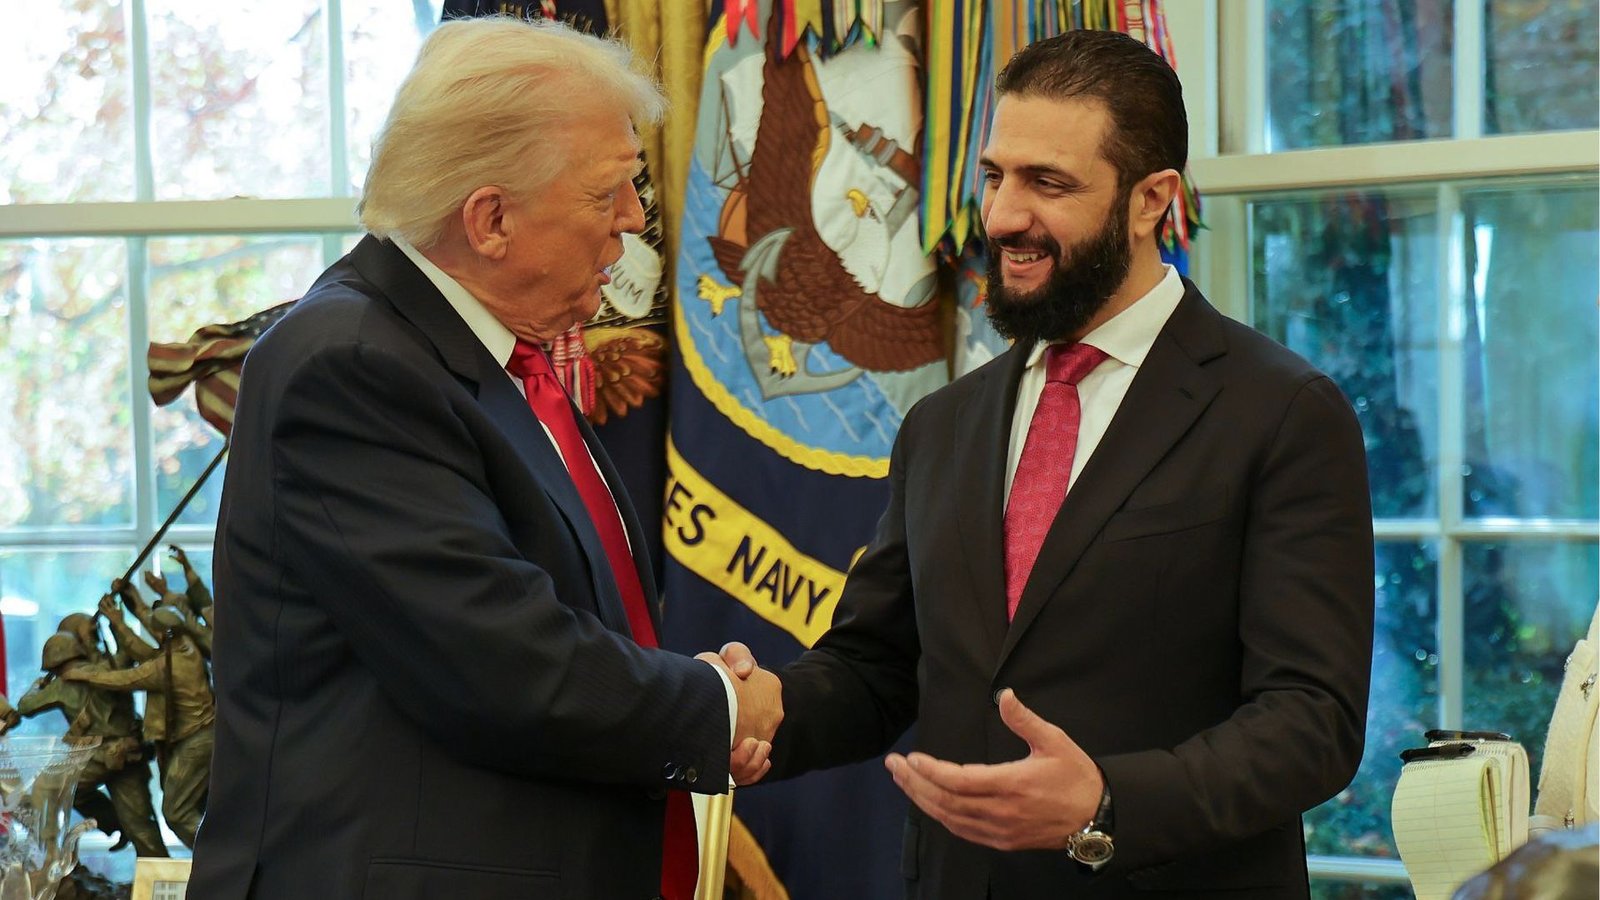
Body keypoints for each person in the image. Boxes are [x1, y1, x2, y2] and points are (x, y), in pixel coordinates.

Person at [722, 30, 1375, 899]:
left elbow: (1312, 721)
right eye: (995, 176)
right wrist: (767, 708)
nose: (1000, 217)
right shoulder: (942, 424)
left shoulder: (1282, 412)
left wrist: (1106, 803)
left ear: (1151, 200)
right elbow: (878, 667)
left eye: (1048, 183)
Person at [186, 17, 777, 900]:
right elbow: (502, 662)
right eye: (608, 190)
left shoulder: (492, 362)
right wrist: (717, 706)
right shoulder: (349, 365)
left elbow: (573, 621)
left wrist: (693, 698)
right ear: (491, 219)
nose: (634, 217)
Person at [20, 624, 169, 857]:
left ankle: (50, 858)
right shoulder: (110, 669)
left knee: (51, 785)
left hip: (98, 756)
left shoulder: (61, 685)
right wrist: (114, 624)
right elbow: (127, 653)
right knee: (139, 823)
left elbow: (25, 707)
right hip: (130, 753)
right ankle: (157, 868)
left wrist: (36, 688)